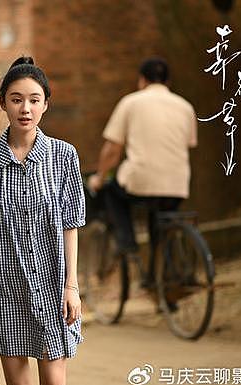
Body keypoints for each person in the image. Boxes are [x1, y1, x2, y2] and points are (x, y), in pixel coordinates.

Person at [0, 57, 85, 385]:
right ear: (2, 103)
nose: (25, 108)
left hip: (51, 283)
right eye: (16, 99)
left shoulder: (63, 155)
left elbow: (71, 223)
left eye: (34, 99)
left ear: (46, 104)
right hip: (2, 285)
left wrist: (71, 286)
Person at [87, 57, 197, 286]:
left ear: (142, 80)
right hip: (178, 183)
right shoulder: (186, 106)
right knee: (160, 224)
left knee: (111, 193)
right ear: (167, 81)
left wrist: (99, 176)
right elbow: (188, 143)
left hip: (141, 180)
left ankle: (126, 242)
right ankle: (160, 281)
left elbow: (113, 150)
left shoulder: (131, 102)